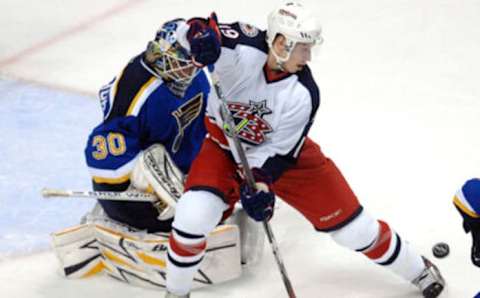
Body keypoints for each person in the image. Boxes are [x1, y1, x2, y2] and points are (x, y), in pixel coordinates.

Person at [164, 2, 446, 298]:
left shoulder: (304, 92)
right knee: (192, 217)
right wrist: (198, 38)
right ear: (282, 43)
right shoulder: (241, 46)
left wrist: (259, 184)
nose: (309, 56)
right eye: (303, 48)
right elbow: (188, 29)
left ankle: (418, 269)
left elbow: (280, 154)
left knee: (354, 230)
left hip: (286, 160)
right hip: (223, 147)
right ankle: (176, 293)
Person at [52, 18, 260, 288]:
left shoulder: (195, 73)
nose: (192, 68)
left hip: (185, 170)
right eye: (186, 61)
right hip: (142, 194)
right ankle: (115, 219)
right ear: (167, 53)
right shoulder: (133, 89)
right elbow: (102, 155)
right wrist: (145, 180)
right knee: (154, 163)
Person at [453, 178, 480, 267]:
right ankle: (477, 255)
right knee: (477, 232)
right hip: (465, 203)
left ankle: (469, 223)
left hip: (465, 193)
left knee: (473, 221)